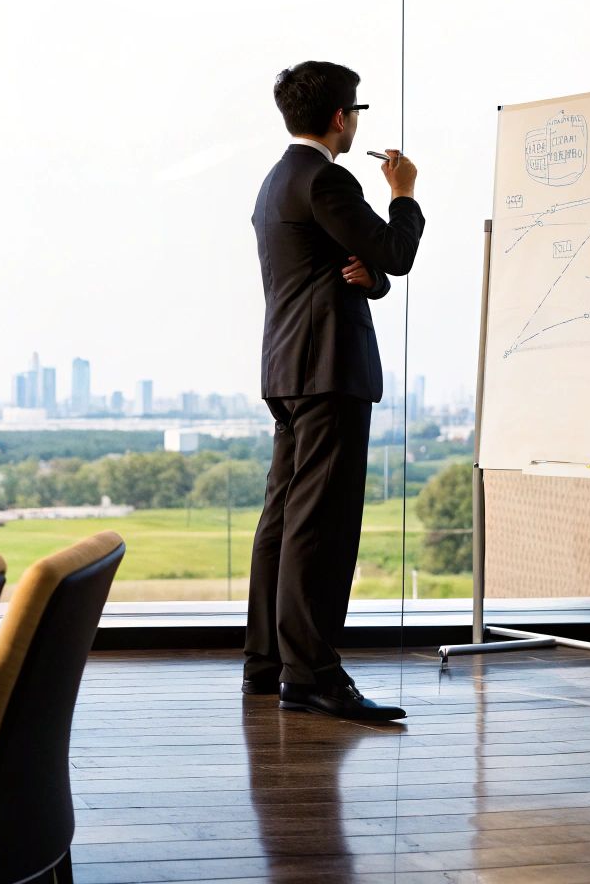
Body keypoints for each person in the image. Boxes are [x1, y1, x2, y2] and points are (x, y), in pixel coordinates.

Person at [243, 60, 424, 721]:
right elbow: (393, 251)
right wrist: (403, 192)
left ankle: (268, 662)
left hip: (289, 370)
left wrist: (368, 277)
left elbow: (352, 270)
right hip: (328, 371)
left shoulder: (276, 183)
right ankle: (313, 675)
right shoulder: (326, 179)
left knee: (285, 519)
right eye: (357, 114)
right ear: (342, 118)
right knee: (319, 525)